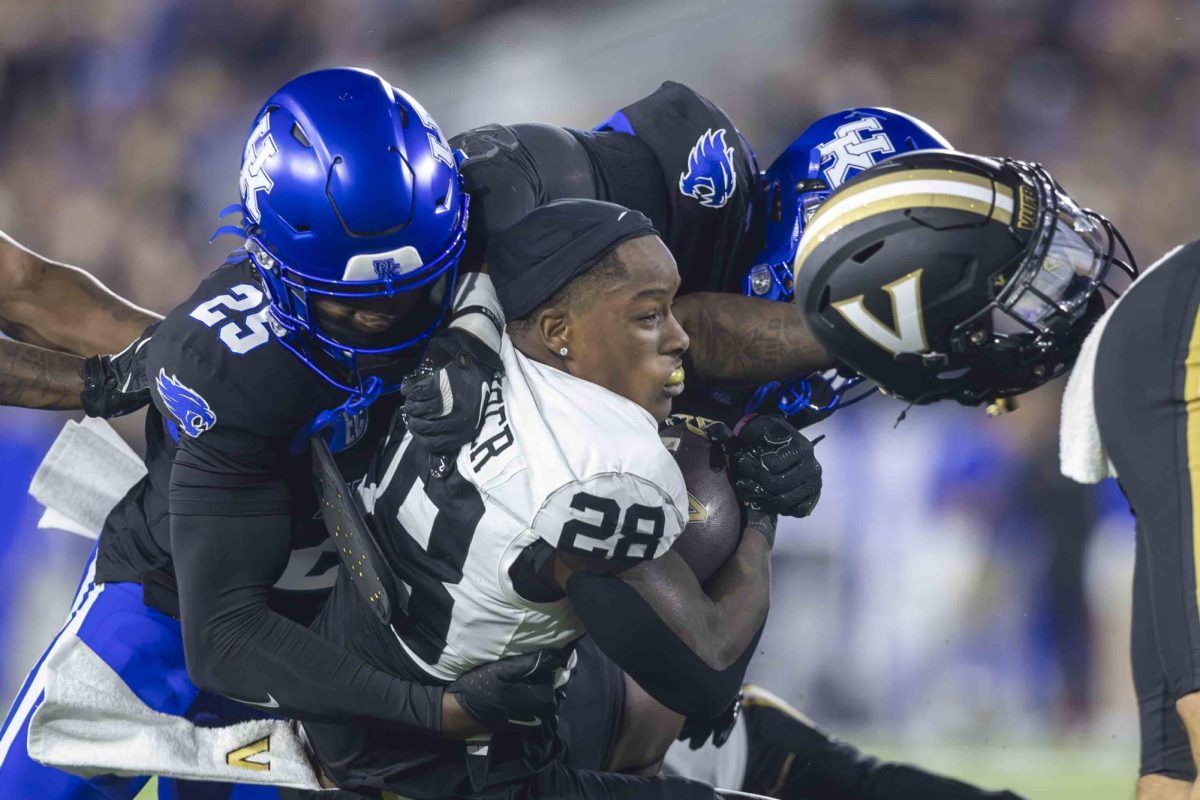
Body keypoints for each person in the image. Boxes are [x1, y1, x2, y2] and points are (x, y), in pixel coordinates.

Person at [0, 67, 560, 799]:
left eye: (415, 287)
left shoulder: (507, 221)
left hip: (342, 626)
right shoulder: (228, 364)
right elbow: (22, 285)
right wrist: (105, 383)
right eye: (351, 304)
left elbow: (677, 210)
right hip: (170, 608)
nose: (386, 320)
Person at [302, 198, 819, 799]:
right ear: (558, 331)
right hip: (438, 769)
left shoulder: (474, 320)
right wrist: (760, 517)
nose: (680, 337)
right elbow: (708, 675)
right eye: (651, 316)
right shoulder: (598, 475)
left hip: (352, 678)